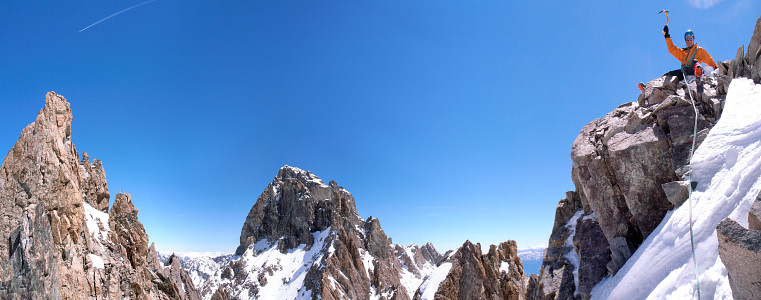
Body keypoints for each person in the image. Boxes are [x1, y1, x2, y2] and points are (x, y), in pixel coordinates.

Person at [639, 26, 718, 91]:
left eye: (690, 39)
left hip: (693, 69)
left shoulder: (699, 50)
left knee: (695, 62)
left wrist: (716, 69)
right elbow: (672, 49)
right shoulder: (683, 52)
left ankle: (698, 73)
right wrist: (667, 36)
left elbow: (709, 60)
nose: (689, 41)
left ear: (693, 39)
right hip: (684, 72)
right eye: (687, 39)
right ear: (685, 41)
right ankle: (649, 88)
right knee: (668, 75)